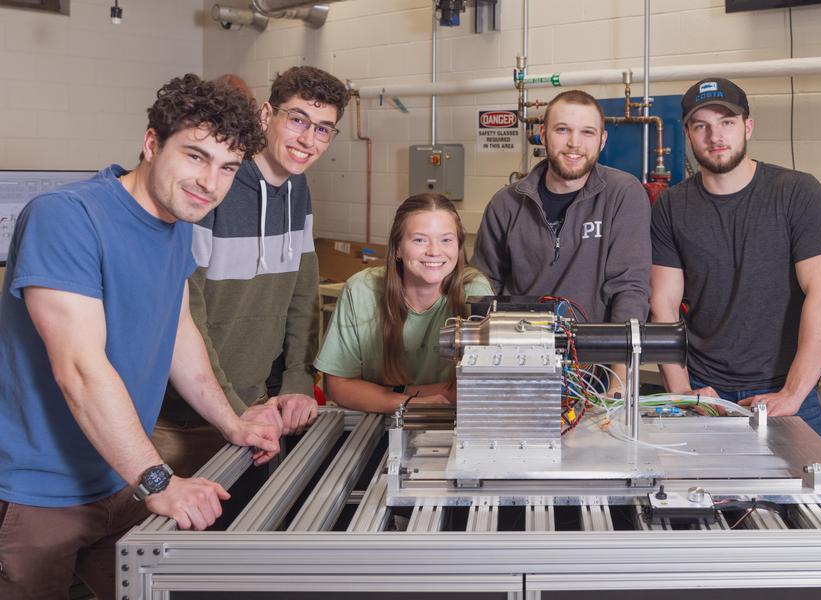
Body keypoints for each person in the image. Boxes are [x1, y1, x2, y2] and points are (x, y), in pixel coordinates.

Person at [0, 74, 280, 600]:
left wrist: (231, 422)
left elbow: (177, 335)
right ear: (151, 143)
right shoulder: (67, 217)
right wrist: (159, 481)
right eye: (195, 156)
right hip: (39, 494)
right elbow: (80, 370)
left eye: (227, 167)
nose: (210, 183)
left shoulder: (177, 226)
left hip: (120, 478)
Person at [155, 67, 350, 477]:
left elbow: (302, 296)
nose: (306, 140)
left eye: (322, 129)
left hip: (254, 410)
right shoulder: (214, 184)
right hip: (180, 419)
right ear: (266, 115)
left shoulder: (299, 190)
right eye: (297, 119)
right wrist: (233, 411)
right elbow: (188, 314)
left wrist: (297, 381)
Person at [649, 77, 821, 439]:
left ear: (748, 127)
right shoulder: (672, 206)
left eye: (727, 122)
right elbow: (663, 305)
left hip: (785, 392)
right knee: (697, 496)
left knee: (807, 495)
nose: (715, 136)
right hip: (706, 393)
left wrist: (793, 393)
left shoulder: (797, 193)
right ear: (688, 135)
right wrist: (681, 392)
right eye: (701, 126)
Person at [472, 89, 651, 390]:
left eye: (587, 132)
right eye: (562, 130)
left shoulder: (623, 194)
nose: (574, 143)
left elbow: (630, 289)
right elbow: (483, 289)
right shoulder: (506, 204)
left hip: (593, 378)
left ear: (602, 140)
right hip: (519, 371)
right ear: (542, 134)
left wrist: (620, 386)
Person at [315, 193, 493, 413]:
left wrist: (390, 391)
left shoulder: (474, 292)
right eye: (420, 239)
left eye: (446, 239)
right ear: (397, 248)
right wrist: (408, 402)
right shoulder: (361, 291)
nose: (434, 251)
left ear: (458, 247)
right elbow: (339, 386)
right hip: (377, 421)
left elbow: (481, 387)